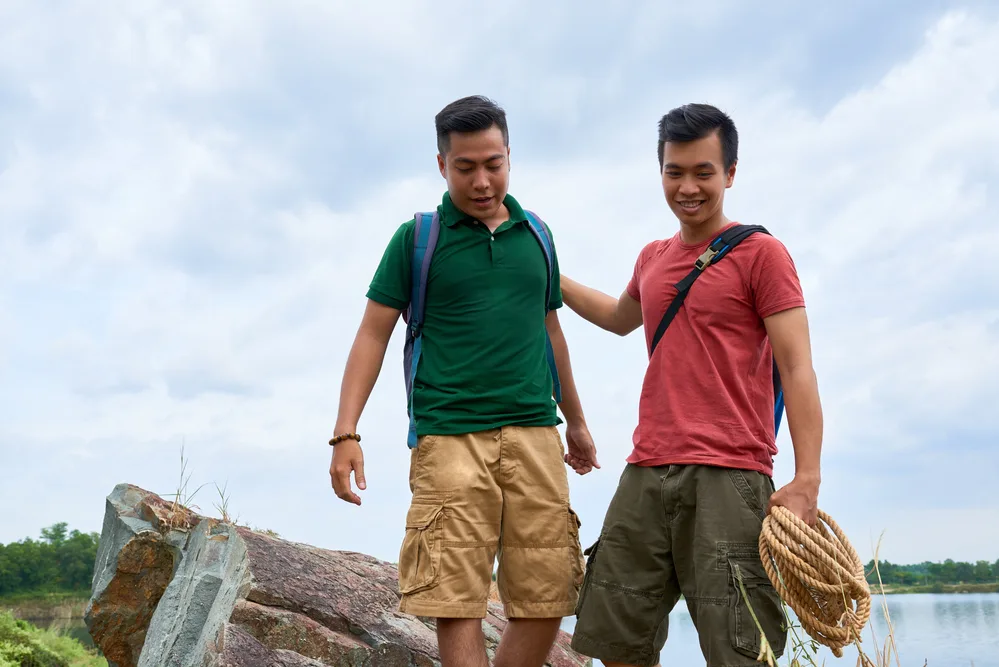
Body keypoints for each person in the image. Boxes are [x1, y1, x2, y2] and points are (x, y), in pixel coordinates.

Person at [328, 94, 600, 667]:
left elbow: (552, 335)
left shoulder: (539, 236)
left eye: (493, 164)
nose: (482, 181)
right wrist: (344, 433)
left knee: (548, 594)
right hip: (449, 438)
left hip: (535, 435)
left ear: (509, 157)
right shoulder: (417, 239)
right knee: (457, 601)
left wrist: (576, 421)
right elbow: (372, 334)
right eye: (465, 167)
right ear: (441, 164)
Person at [563, 103, 824, 667]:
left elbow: (799, 369)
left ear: (730, 173)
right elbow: (617, 316)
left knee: (740, 650)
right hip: (647, 466)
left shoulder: (763, 255)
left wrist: (807, 478)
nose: (688, 187)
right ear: (660, 171)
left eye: (703, 172)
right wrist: (547, 272)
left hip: (731, 473)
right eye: (674, 171)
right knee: (617, 636)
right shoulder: (652, 257)